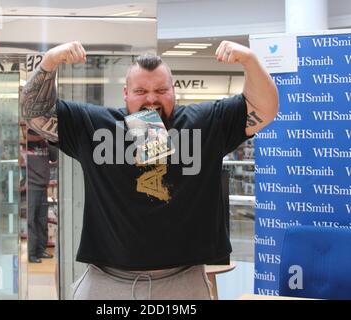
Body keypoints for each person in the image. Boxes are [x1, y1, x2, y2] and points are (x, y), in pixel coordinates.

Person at [21, 41, 278, 299]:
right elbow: (35, 113)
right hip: (107, 283)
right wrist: (50, 62)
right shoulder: (96, 126)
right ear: (125, 93)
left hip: (182, 283)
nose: (151, 98)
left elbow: (264, 109)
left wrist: (250, 60)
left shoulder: (205, 122)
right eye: (141, 90)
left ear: (174, 91)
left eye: (161, 89)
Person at [25, 128, 58, 263]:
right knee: (31, 221)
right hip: (31, 187)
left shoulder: (45, 143)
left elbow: (54, 156)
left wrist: (50, 140)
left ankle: (40, 250)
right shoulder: (29, 140)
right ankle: (31, 254)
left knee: (42, 220)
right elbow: (28, 137)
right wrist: (44, 134)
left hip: (43, 186)